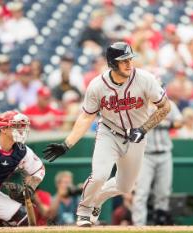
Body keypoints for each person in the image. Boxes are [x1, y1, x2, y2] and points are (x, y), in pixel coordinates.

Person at [43, 41, 171, 227]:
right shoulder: (97, 85)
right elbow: (86, 117)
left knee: (125, 187)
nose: (129, 64)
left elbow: (165, 106)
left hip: (136, 136)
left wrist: (143, 129)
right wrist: (67, 143)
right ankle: (85, 210)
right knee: (100, 175)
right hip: (109, 133)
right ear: (112, 63)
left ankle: (98, 201)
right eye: (123, 60)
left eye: (130, 59)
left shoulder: (144, 78)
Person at [132, 100, 182, 226]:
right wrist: (153, 122)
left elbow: (179, 122)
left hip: (165, 154)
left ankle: (161, 224)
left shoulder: (168, 104)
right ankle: (139, 226)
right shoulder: (140, 104)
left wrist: (168, 124)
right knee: (141, 193)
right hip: (146, 155)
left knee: (163, 193)